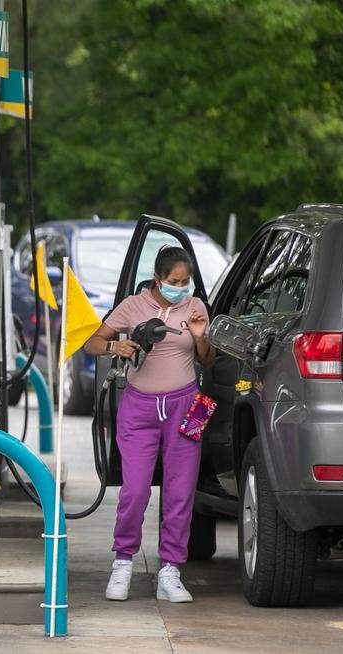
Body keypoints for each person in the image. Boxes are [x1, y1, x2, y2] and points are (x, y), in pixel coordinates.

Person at [83, 246, 213, 603]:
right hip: (139, 407)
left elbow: (209, 360)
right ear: (158, 279)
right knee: (135, 490)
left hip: (187, 404)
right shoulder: (132, 305)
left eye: (186, 282)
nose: (181, 288)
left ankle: (170, 570)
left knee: (180, 492)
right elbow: (92, 342)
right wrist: (117, 347)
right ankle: (123, 562)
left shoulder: (195, 307)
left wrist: (202, 337)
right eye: (174, 281)